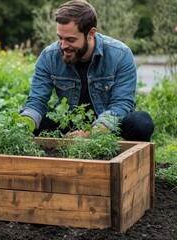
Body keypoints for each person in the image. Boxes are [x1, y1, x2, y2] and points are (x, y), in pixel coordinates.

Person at [20, 0, 154, 141]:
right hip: (69, 125)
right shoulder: (49, 57)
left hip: (109, 126)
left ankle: (129, 160)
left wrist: (92, 133)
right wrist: (22, 125)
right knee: (34, 121)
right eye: (60, 38)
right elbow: (37, 101)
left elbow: (122, 104)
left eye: (70, 39)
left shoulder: (120, 55)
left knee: (141, 122)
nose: (63, 46)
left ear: (91, 33)